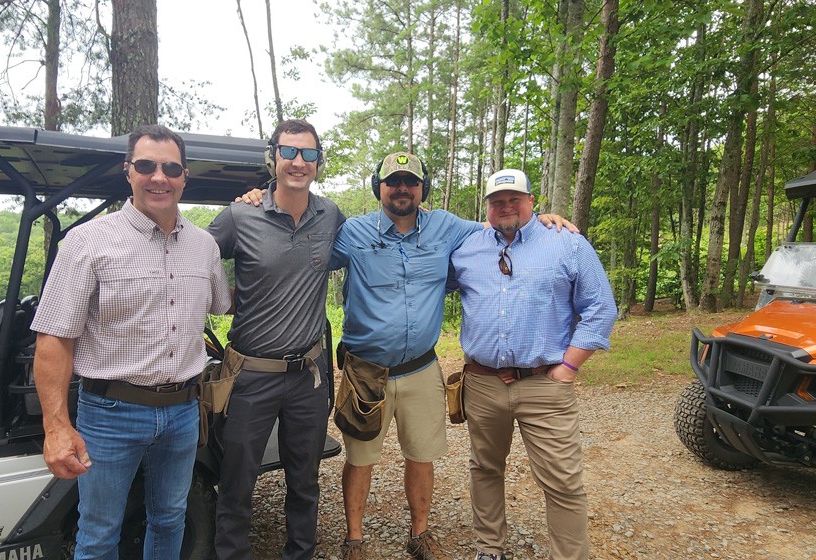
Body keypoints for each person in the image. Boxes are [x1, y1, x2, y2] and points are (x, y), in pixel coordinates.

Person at [235, 152, 572, 560]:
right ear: (379, 188)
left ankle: (420, 534)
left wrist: (546, 219)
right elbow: (298, 246)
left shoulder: (447, 227)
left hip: (422, 368)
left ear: (422, 190)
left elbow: (498, 226)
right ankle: (354, 540)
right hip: (365, 371)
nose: (401, 188)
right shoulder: (352, 232)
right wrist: (264, 197)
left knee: (422, 454)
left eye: (410, 181)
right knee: (360, 458)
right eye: (392, 181)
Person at [31, 124, 231, 559]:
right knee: (100, 531)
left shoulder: (204, 247)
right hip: (109, 414)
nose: (159, 177)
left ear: (184, 176)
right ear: (129, 172)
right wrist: (57, 427)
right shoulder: (87, 242)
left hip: (182, 412)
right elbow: (53, 338)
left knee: (170, 518)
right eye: (146, 165)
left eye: (170, 168)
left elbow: (222, 304)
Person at [450, 169, 616, 560]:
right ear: (486, 206)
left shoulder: (567, 243)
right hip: (483, 382)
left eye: (514, 199)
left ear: (532, 201)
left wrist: (569, 367)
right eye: (496, 201)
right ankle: (490, 549)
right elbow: (423, 281)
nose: (505, 206)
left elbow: (601, 308)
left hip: (544, 384)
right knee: (485, 469)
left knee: (562, 481)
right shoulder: (467, 248)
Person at [206, 118, 346, 560]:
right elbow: (192, 257)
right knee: (237, 481)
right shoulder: (239, 215)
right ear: (273, 158)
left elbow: (383, 237)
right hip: (250, 377)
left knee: (304, 481)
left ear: (319, 162)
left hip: (308, 374)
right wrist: (222, 300)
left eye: (308, 154)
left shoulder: (331, 216)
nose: (298, 162)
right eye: (289, 152)